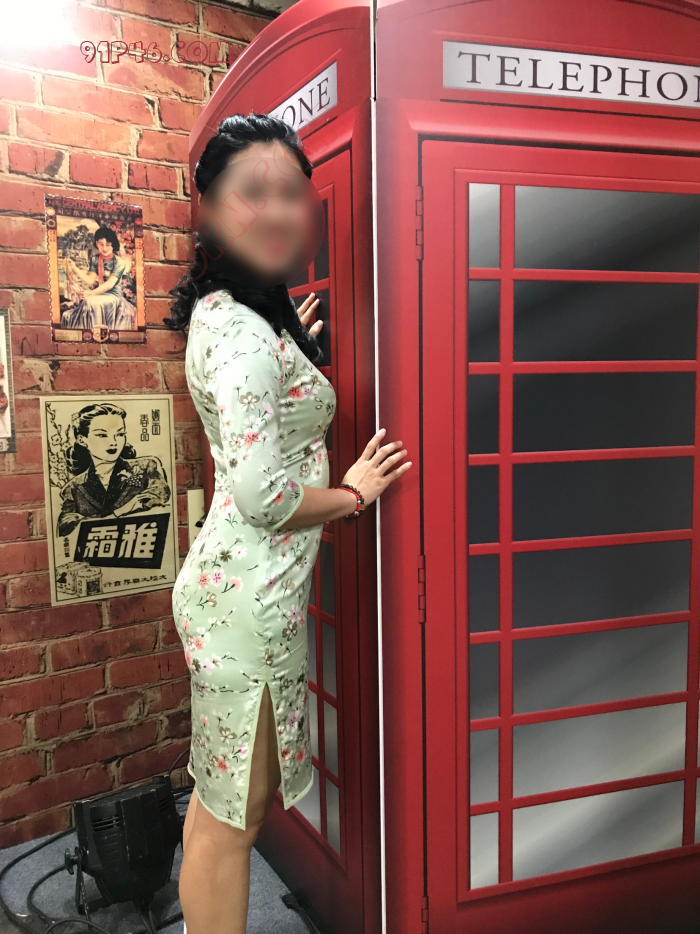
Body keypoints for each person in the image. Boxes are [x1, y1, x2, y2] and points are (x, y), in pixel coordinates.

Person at [164, 113, 411, 934]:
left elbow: (257, 391)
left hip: (241, 594)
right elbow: (266, 496)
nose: (276, 211)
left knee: (232, 798)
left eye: (291, 194)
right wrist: (354, 494)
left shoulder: (237, 313)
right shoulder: (243, 333)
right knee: (231, 816)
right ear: (209, 208)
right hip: (247, 605)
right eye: (252, 193)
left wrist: (291, 346)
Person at [56, 402, 171, 537]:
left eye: (120, 434)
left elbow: (158, 497)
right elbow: (66, 529)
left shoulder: (146, 467)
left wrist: (93, 520)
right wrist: (120, 512)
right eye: (102, 435)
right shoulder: (72, 488)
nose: (113, 442)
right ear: (82, 440)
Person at [61, 226, 137, 331]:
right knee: (82, 305)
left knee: (91, 301)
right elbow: (90, 280)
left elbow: (109, 284)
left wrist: (91, 293)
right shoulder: (95, 259)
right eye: (101, 244)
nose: (104, 248)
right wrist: (75, 268)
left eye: (108, 245)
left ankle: (97, 333)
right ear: (97, 244)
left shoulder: (118, 262)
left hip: (114, 296)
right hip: (100, 294)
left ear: (113, 245)